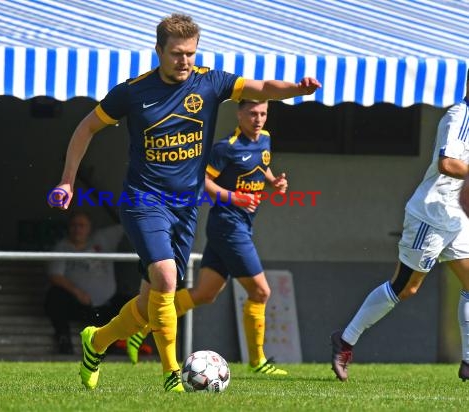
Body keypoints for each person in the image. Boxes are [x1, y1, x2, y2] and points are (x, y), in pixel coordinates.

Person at [49, 13, 320, 392]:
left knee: (150, 305)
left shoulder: (210, 81)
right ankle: (171, 375)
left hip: (186, 208)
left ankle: (97, 341)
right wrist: (67, 181)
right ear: (158, 50)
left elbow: (261, 86)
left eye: (191, 53)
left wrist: (296, 90)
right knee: (165, 276)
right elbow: (86, 128)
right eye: (177, 53)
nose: (185, 61)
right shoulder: (132, 92)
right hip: (143, 200)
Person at [126, 100, 290, 376]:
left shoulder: (265, 139)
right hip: (228, 226)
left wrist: (273, 181)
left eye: (263, 113)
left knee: (205, 294)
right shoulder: (227, 147)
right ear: (239, 113)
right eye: (252, 113)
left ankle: (141, 327)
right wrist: (233, 197)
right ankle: (258, 361)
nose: (258, 119)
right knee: (261, 291)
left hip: (237, 227)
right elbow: (202, 182)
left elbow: (262, 166)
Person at [330, 69, 469, 382]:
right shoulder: (459, 115)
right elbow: (447, 162)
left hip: (456, 218)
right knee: (405, 288)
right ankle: (345, 340)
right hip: (430, 215)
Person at [45, 211, 128, 354]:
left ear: (90, 228)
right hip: (79, 305)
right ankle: (64, 341)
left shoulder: (103, 240)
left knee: (131, 303)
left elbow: (129, 223)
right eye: (74, 225)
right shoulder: (62, 247)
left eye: (82, 225)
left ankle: (117, 345)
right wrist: (77, 292)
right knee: (55, 295)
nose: (77, 229)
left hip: (106, 305)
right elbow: (55, 276)